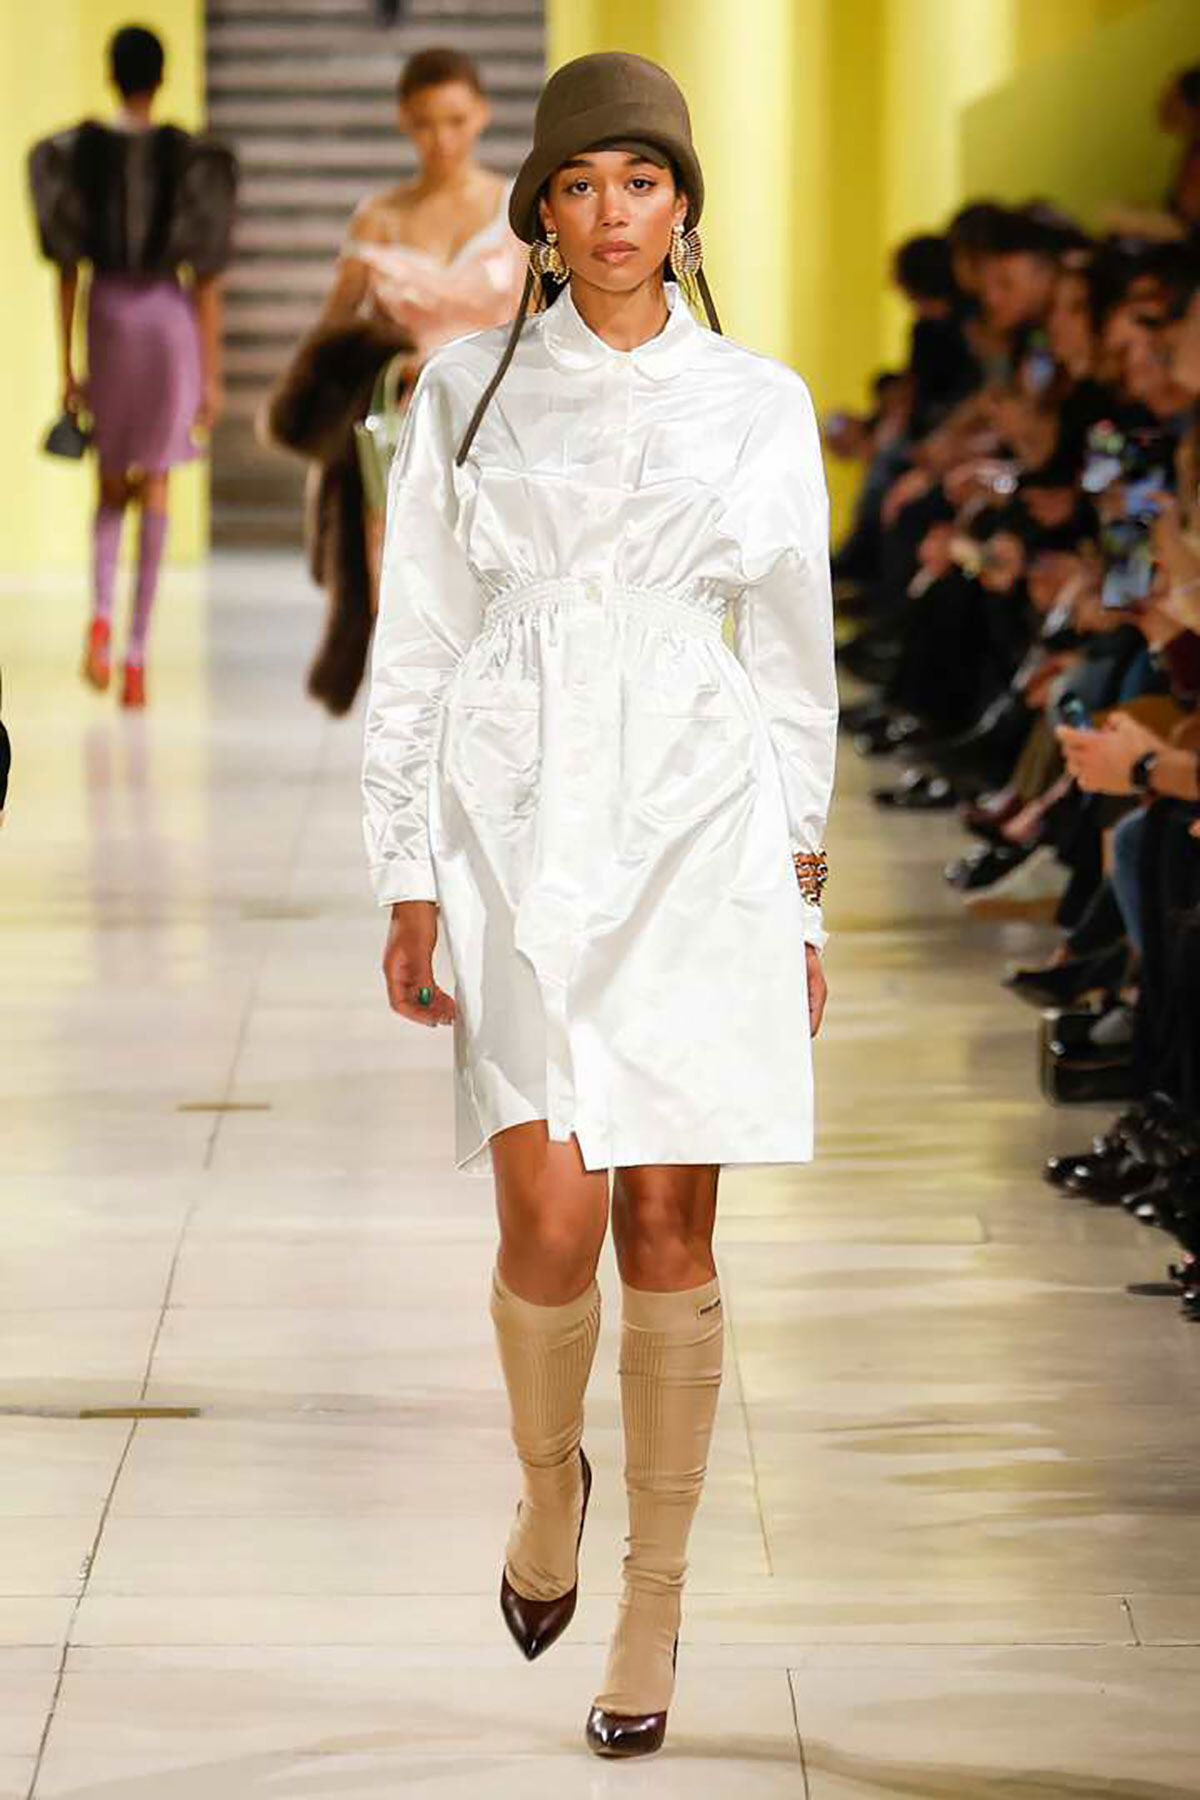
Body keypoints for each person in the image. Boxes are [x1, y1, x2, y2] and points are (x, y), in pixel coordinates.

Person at [361, 51, 837, 1759]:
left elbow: (792, 668)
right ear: (541, 214)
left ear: (685, 205)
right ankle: (546, 1484)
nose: (613, 213)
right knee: (547, 1227)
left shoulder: (760, 403)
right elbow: (416, 640)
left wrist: (804, 900)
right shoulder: (468, 389)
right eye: (580, 184)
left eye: (642, 180)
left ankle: (653, 1600)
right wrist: (407, 872)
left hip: (701, 825)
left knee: (667, 1236)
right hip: (511, 816)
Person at [270, 46, 525, 716]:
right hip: (398, 426)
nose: (442, 139)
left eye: (456, 120)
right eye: (424, 123)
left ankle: (483, 729)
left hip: (499, 423)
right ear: (402, 122)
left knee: (494, 584)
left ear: (482, 115)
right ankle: (420, 741)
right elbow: (330, 341)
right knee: (401, 587)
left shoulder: (518, 211)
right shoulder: (377, 218)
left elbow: (540, 325)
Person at [28, 24, 236, 708]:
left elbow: (67, 269)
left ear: (112, 73)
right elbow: (205, 278)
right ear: (162, 75)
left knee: (110, 484)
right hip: (168, 317)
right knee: (158, 486)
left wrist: (67, 364)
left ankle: (100, 615)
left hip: (109, 313)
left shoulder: (76, 153)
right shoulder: (190, 157)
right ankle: (139, 654)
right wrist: (210, 375)